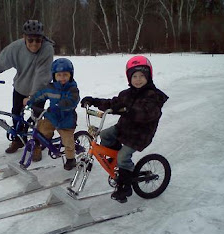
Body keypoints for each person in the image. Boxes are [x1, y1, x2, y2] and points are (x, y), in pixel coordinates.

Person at [81, 55, 168, 203]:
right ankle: (116, 162)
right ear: (129, 78)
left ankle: (125, 186)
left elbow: (148, 113)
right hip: (123, 128)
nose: (138, 79)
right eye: (134, 76)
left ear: (149, 77)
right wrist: (94, 101)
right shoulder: (126, 94)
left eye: (142, 76)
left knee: (123, 157)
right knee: (106, 135)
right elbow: (112, 103)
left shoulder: (154, 96)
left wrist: (129, 111)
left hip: (139, 135)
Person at [0, 20, 54, 154]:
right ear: (24, 38)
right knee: (16, 114)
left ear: (42, 39)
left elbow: (42, 76)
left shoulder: (47, 49)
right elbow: (1, 62)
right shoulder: (16, 48)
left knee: (36, 117)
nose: (34, 44)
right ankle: (17, 140)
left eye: (38, 40)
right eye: (31, 40)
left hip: (39, 90)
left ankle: (37, 145)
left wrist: (32, 97)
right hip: (21, 86)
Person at [24, 58, 80, 171]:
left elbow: (73, 101)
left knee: (67, 141)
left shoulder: (72, 89)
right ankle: (43, 143)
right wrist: (30, 101)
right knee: (42, 128)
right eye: (59, 75)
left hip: (66, 120)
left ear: (71, 75)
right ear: (54, 76)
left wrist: (60, 106)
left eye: (65, 75)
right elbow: (41, 95)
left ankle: (71, 159)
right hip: (53, 117)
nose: (62, 78)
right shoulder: (51, 88)